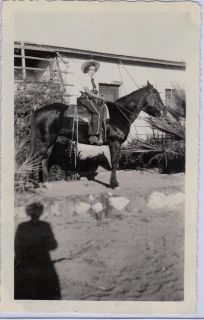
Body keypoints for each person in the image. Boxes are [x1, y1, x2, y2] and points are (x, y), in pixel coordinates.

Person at [77, 60, 105, 145]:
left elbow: (94, 91)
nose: (92, 71)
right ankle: (93, 136)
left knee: (103, 109)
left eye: (94, 69)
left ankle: (102, 134)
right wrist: (97, 96)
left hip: (92, 98)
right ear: (87, 70)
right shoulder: (84, 77)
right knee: (99, 112)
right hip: (85, 98)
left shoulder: (93, 80)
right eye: (90, 69)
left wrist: (100, 95)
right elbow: (87, 90)